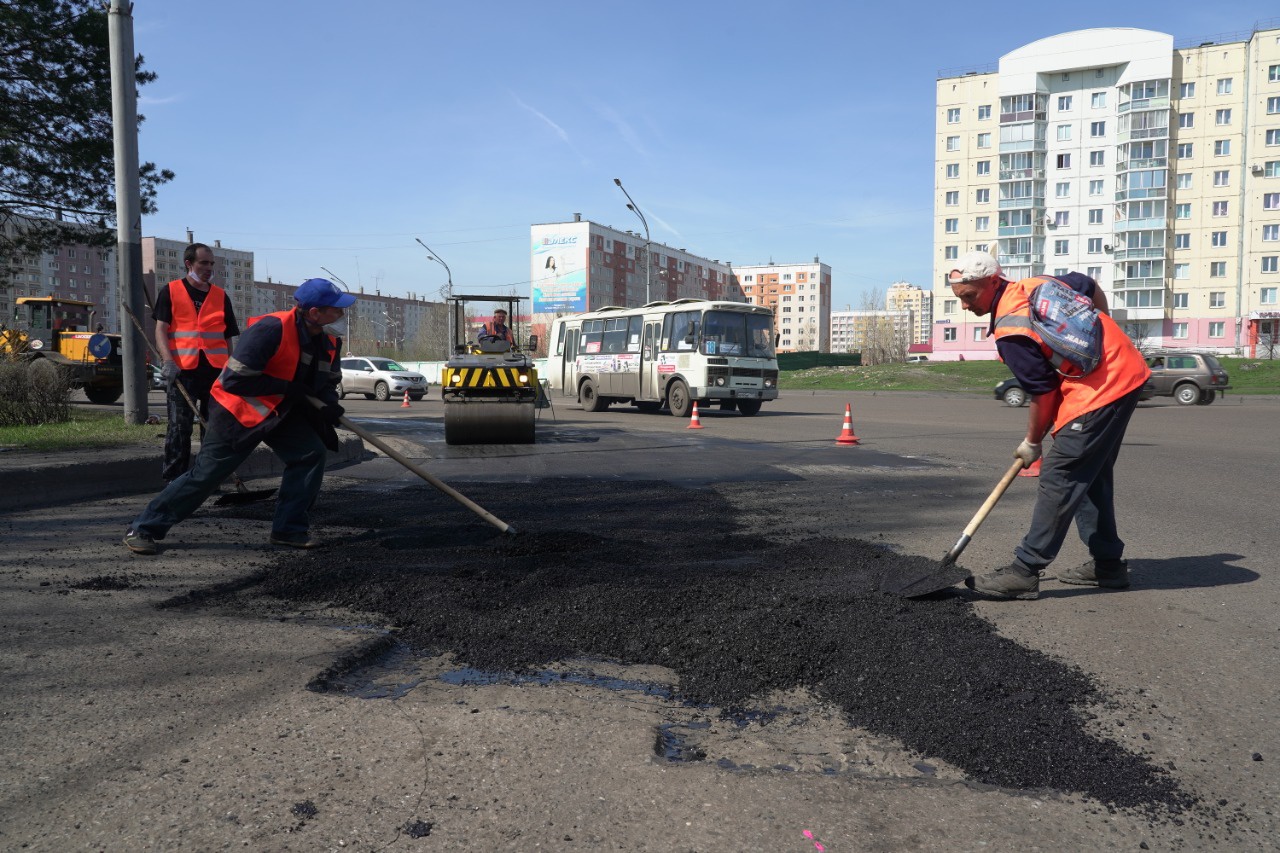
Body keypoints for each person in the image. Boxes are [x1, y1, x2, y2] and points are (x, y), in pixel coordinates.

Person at [947, 251, 1151, 600]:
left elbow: (1043, 394)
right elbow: (1088, 285)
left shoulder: (1011, 330)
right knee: (1090, 475)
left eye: (970, 296)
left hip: (1104, 387)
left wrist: (1032, 442)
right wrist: (1100, 322)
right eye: (960, 298)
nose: (965, 306)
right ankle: (1107, 565)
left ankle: (1025, 571)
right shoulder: (1037, 285)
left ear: (994, 281)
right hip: (1124, 369)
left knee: (1061, 474)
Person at [123, 278, 354, 555]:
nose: (341, 315)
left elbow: (328, 381)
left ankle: (288, 529)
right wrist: (287, 387)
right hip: (238, 412)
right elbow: (235, 381)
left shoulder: (328, 340)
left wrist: (330, 404)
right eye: (336, 309)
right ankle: (145, 527)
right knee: (207, 475)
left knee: (310, 453)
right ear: (315, 312)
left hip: (281, 412)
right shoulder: (271, 329)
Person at [153, 243, 240, 481]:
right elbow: (161, 329)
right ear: (189, 264)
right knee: (179, 429)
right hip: (182, 371)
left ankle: (208, 480)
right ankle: (175, 481)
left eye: (211, 264)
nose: (208, 268)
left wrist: (229, 369)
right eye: (203, 263)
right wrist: (167, 361)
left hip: (215, 373)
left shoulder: (221, 296)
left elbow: (227, 337)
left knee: (213, 430)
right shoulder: (171, 291)